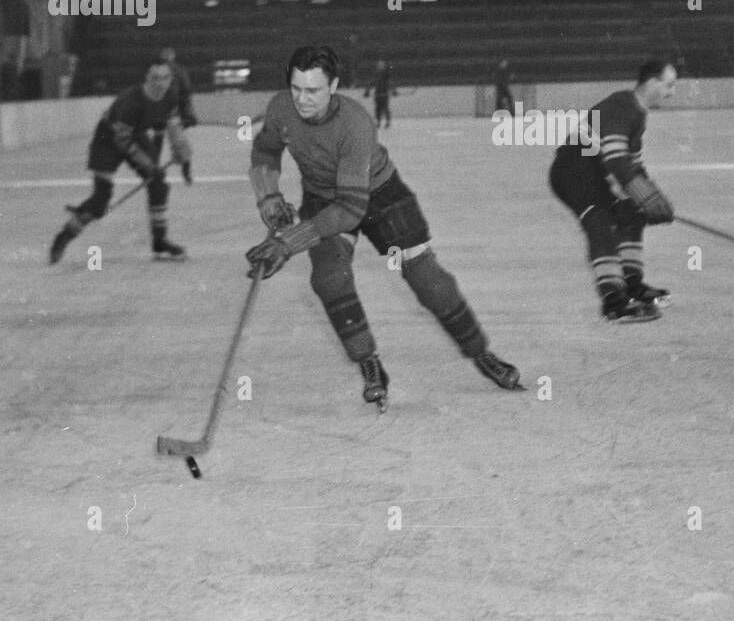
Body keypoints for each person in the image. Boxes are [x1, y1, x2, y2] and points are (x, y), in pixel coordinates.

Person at [244, 44, 523, 410]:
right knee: (330, 278)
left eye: (312, 91)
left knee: (426, 277)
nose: (302, 99)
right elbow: (265, 152)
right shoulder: (281, 108)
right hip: (324, 196)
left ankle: (481, 353)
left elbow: (350, 208)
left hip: (377, 194)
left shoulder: (356, 123)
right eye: (296, 88)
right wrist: (268, 196)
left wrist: (286, 243)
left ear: (334, 86)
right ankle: (369, 363)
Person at [548, 59, 678, 323]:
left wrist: (649, 198)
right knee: (601, 225)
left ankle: (631, 285)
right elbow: (617, 159)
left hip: (595, 172)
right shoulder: (623, 106)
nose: (672, 92)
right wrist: (648, 197)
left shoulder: (637, 114)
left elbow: (633, 166)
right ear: (652, 82)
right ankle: (614, 303)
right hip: (574, 171)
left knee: (632, 213)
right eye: (669, 85)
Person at [48, 58, 193, 264]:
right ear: (147, 79)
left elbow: (175, 128)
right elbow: (123, 141)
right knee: (100, 200)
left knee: (159, 185)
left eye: (166, 78)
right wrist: (150, 165)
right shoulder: (131, 101)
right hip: (107, 138)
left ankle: (160, 241)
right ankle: (64, 236)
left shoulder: (170, 96)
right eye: (155, 79)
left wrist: (183, 153)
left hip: (136, 133)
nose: (161, 84)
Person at [157, 46, 198, 128]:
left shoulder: (158, 69)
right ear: (172, 57)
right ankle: (188, 118)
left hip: (164, 96)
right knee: (185, 104)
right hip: (178, 95)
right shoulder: (180, 68)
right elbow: (185, 84)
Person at [363, 59, 396, 128]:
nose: (380, 67)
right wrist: (367, 91)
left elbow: (390, 83)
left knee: (385, 108)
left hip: (384, 93)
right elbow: (371, 83)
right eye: (379, 65)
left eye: (381, 65)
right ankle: (378, 121)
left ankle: (387, 121)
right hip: (377, 94)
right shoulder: (376, 75)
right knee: (378, 108)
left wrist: (393, 90)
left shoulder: (387, 75)